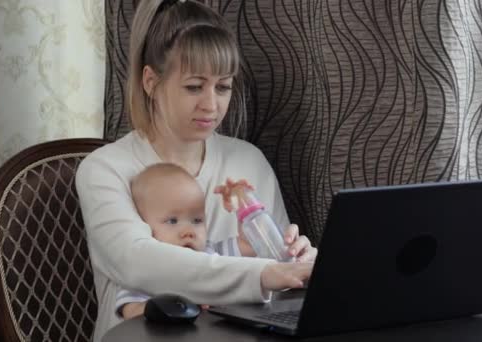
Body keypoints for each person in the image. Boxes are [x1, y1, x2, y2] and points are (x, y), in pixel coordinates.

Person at [75, 1, 317, 340]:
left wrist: (299, 261)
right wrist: (264, 274)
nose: (211, 104)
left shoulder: (248, 161)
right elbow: (139, 262)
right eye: (193, 86)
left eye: (223, 87)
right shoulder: (104, 169)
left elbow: (277, 275)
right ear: (150, 81)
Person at [116, 163, 254, 319]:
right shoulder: (145, 271)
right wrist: (181, 305)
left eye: (196, 220)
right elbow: (131, 312)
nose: (189, 232)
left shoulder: (212, 254)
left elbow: (250, 244)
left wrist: (243, 204)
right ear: (143, 226)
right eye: (172, 221)